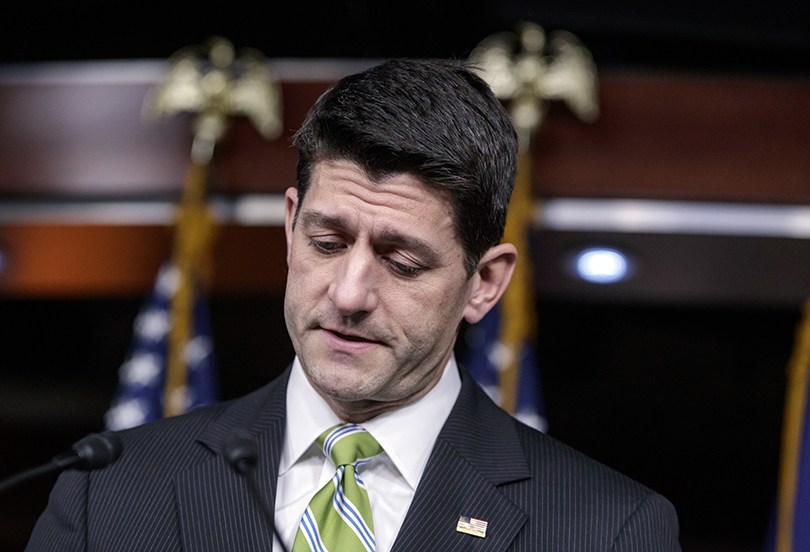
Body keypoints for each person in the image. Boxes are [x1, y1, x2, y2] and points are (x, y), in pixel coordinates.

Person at [26, 58, 681, 551]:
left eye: (402, 262)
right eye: (328, 241)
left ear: (485, 282)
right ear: (290, 226)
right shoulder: (106, 494)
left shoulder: (609, 530)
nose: (348, 295)